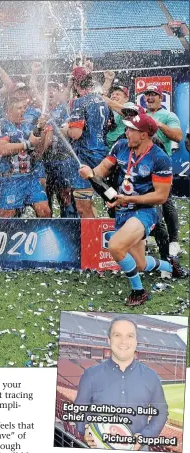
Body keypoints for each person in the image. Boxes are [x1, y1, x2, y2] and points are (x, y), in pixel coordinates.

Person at [78, 113, 186, 306]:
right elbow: (101, 170)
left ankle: (139, 292)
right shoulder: (120, 146)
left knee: (115, 246)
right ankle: (171, 266)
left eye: (130, 129)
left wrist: (128, 198)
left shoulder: (160, 158)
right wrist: (91, 174)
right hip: (123, 210)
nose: (126, 132)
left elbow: (161, 197)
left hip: (146, 210)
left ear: (144, 134)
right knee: (140, 264)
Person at [74, 316, 168, 451]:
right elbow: (79, 410)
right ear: (109, 340)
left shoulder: (151, 377)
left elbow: (161, 412)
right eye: (117, 335)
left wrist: (144, 436)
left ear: (136, 342)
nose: (123, 341)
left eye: (130, 336)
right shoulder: (90, 375)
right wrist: (86, 429)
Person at [0, 97, 51, 218]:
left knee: (45, 211)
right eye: (19, 108)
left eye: (24, 108)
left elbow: (39, 152)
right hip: (10, 179)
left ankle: (45, 236)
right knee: (7, 216)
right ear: (8, 109)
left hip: (30, 177)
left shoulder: (27, 126)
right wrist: (28, 144)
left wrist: (41, 131)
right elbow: (2, 149)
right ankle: (7, 237)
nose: (23, 111)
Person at [143, 84, 183, 259]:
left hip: (161, 164)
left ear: (161, 97)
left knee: (166, 202)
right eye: (148, 95)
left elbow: (178, 136)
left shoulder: (169, 115)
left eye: (154, 95)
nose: (150, 98)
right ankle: (149, 237)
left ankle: (173, 241)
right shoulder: (142, 114)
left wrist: (158, 124)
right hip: (142, 165)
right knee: (145, 202)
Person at [65, 66, 111, 218]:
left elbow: (75, 133)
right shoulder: (101, 100)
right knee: (110, 197)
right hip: (102, 155)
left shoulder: (80, 102)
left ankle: (93, 241)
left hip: (85, 158)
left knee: (83, 207)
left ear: (76, 84)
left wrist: (65, 128)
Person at [42, 82, 77, 218]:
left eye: (54, 89)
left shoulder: (66, 108)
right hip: (45, 162)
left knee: (66, 199)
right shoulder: (41, 110)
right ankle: (47, 230)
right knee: (45, 200)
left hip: (63, 161)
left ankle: (69, 229)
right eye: (48, 89)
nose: (50, 92)